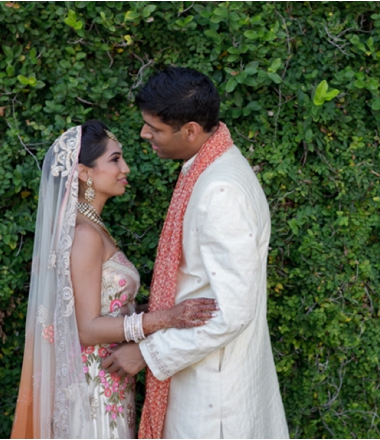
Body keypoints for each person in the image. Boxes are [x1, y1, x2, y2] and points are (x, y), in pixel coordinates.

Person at [101, 67, 290, 438]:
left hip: (212, 395)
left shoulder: (221, 190)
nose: (143, 134)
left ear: (190, 130)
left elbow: (232, 313)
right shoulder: (211, 167)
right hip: (205, 376)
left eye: (154, 128)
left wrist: (147, 354)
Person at [11, 120, 217, 438]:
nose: (126, 168)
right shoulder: (84, 236)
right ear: (84, 173)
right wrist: (166, 318)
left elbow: (108, 308)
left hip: (111, 380)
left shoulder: (93, 229)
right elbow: (87, 328)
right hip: (93, 388)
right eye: (115, 159)